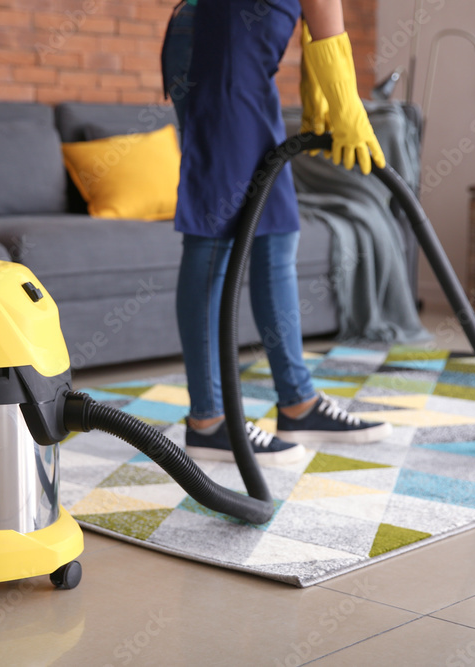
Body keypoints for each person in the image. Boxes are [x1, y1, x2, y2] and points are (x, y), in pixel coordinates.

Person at [163, 0, 392, 465]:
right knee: (214, 234)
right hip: (222, 46)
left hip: (245, 58)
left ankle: (298, 402)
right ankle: (208, 420)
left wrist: (322, 95)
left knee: (277, 229)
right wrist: (346, 103)